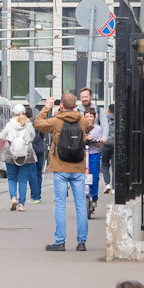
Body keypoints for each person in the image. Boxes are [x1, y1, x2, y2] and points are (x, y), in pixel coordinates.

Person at [36, 93, 90, 252]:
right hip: (78, 168)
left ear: (61, 105)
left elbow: (38, 123)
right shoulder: (82, 120)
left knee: (60, 204)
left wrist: (47, 107)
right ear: (75, 106)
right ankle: (81, 242)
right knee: (80, 205)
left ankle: (59, 242)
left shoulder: (56, 121)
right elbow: (90, 126)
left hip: (60, 168)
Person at [1, 104, 36, 211]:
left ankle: (13, 198)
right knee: (22, 180)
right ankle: (21, 204)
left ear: (13, 113)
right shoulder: (28, 124)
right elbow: (32, 137)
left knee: (11, 179)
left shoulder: (10, 123)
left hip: (11, 154)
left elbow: (2, 136)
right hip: (26, 155)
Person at [86, 110, 106, 218]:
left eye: (90, 116)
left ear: (94, 117)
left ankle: (94, 198)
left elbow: (100, 143)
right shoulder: (80, 126)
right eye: (87, 116)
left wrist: (94, 139)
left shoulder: (98, 128)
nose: (88, 118)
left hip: (93, 154)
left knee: (94, 177)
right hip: (83, 155)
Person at [30, 112, 47, 204]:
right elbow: (43, 136)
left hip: (32, 151)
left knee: (32, 173)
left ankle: (34, 195)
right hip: (40, 149)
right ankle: (38, 194)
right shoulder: (39, 125)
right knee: (38, 173)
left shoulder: (27, 124)